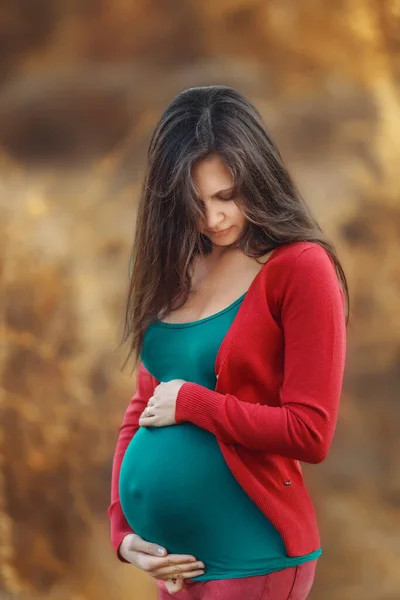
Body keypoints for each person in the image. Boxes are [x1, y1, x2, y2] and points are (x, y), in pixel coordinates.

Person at [108, 85, 348, 600]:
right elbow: (144, 407)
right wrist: (124, 533)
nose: (212, 219)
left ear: (258, 178)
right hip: (176, 568)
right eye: (193, 203)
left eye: (225, 196)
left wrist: (195, 403)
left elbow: (311, 432)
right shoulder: (174, 264)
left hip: (252, 560)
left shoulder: (299, 268)